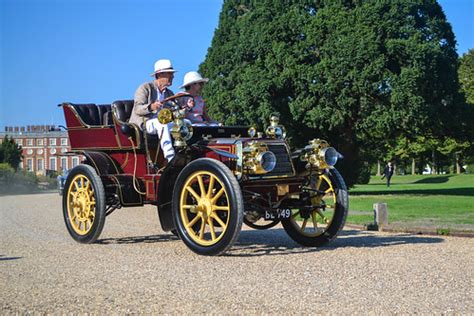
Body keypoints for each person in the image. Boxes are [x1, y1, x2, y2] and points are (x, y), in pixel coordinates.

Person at [129, 59, 177, 161]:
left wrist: (185, 108)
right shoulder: (145, 88)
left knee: (186, 123)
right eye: (169, 74)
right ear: (160, 75)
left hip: (162, 122)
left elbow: (174, 111)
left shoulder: (170, 93)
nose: (173, 76)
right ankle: (171, 158)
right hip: (145, 123)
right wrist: (151, 107)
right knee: (162, 124)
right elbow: (138, 109)